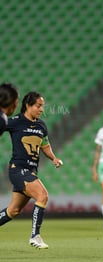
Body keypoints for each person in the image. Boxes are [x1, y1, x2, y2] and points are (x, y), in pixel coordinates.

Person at [0, 91, 63, 249]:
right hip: (18, 169)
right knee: (42, 195)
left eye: (42, 106)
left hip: (31, 171)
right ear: (28, 105)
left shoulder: (41, 125)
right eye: (38, 105)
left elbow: (45, 146)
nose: (41, 109)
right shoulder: (14, 121)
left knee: (13, 211)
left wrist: (54, 158)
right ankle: (35, 236)